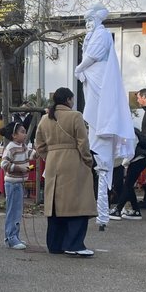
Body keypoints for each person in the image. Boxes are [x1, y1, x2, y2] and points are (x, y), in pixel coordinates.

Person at [74, 4, 135, 229]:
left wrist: (79, 68)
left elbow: (92, 57)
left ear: (98, 20)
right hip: (93, 81)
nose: (88, 24)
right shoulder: (93, 35)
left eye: (91, 20)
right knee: (94, 114)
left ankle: (103, 212)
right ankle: (101, 213)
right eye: (86, 21)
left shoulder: (100, 36)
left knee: (100, 115)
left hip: (99, 80)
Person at [35, 87, 97, 257]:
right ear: (69, 99)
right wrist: (88, 161)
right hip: (73, 161)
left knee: (56, 205)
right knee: (78, 203)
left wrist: (51, 156)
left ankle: (55, 244)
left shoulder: (45, 119)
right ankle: (75, 244)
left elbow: (39, 145)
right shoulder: (75, 116)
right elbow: (83, 143)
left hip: (53, 162)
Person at [0, 120, 33, 250]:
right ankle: (11, 237)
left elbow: (31, 154)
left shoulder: (23, 146)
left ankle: (15, 236)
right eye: (22, 132)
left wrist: (40, 151)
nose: (25, 135)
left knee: (17, 211)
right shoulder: (11, 147)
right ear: (14, 135)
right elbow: (4, 164)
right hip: (12, 183)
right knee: (13, 211)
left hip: (19, 183)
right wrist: (20, 168)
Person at [111, 128, 146, 220]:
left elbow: (131, 152)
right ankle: (136, 210)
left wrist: (124, 163)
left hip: (137, 160)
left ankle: (118, 209)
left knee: (128, 185)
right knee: (128, 185)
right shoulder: (130, 131)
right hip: (137, 160)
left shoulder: (130, 133)